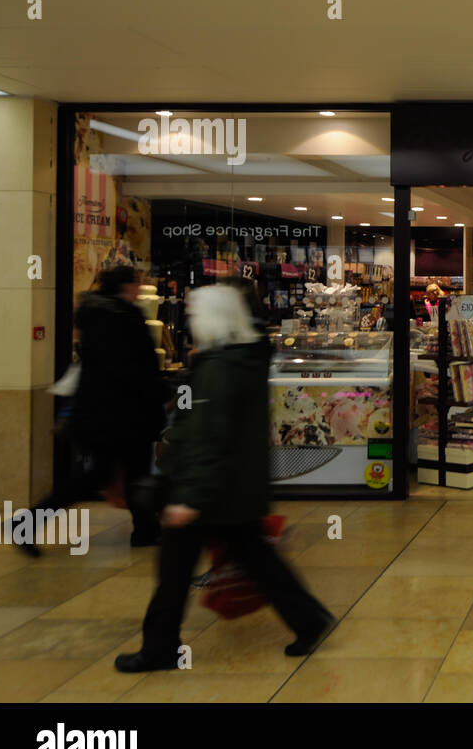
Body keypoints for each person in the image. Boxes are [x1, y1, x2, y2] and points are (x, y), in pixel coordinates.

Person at [115, 284, 333, 672]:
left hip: (208, 492)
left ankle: (160, 648)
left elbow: (209, 436)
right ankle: (309, 619)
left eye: (196, 315)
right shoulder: (240, 359)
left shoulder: (220, 368)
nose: (192, 323)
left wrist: (187, 497)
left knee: (175, 572)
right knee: (258, 560)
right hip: (233, 488)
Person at [13, 266, 165, 555]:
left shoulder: (95, 315)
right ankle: (145, 530)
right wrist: (158, 394)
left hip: (100, 412)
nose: (139, 290)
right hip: (121, 413)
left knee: (112, 474)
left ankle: (145, 529)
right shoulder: (124, 318)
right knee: (110, 475)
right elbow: (136, 370)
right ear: (127, 286)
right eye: (137, 284)